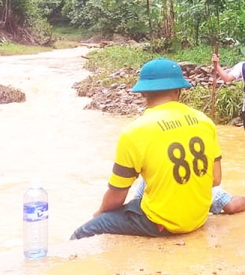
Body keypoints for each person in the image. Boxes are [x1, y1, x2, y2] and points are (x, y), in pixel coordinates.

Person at [71, 58, 222, 239]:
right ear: (178, 90)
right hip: (198, 218)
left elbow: (117, 196)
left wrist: (100, 212)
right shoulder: (205, 121)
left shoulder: (134, 132)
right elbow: (215, 179)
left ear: (143, 93)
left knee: (83, 232)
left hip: (162, 223)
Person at [134, 180, 245, 215]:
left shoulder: (151, 173)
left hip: (157, 222)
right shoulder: (196, 172)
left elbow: (135, 204)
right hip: (190, 221)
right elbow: (231, 205)